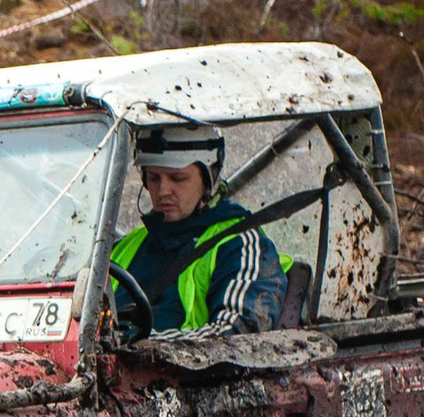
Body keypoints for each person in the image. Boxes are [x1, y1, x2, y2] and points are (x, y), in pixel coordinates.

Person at [110, 123, 292, 337]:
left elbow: (236, 335)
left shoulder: (240, 245)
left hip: (182, 371)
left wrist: (135, 345)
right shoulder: (123, 248)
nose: (163, 190)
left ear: (209, 179)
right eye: (153, 178)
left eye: (177, 178)